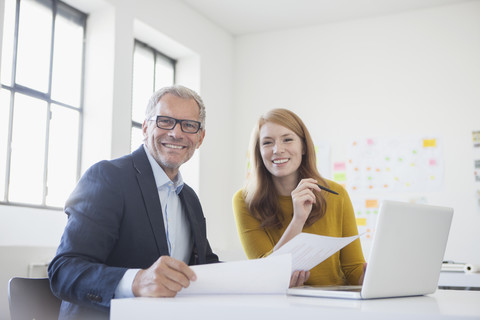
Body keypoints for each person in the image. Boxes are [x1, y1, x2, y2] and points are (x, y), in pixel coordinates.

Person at [48, 85, 219, 320]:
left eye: (188, 125)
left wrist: (266, 276)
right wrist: (136, 281)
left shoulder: (189, 198)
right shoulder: (108, 177)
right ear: (146, 127)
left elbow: (206, 267)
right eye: (165, 121)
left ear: (200, 138)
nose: (176, 133)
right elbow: (64, 271)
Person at [232, 108, 365, 288]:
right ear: (259, 152)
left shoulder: (336, 194)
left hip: (334, 304)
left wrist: (373, 276)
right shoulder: (245, 200)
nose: (278, 150)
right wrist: (298, 220)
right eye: (267, 143)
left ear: (303, 147)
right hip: (280, 305)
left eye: (287, 139)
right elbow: (265, 271)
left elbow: (354, 269)